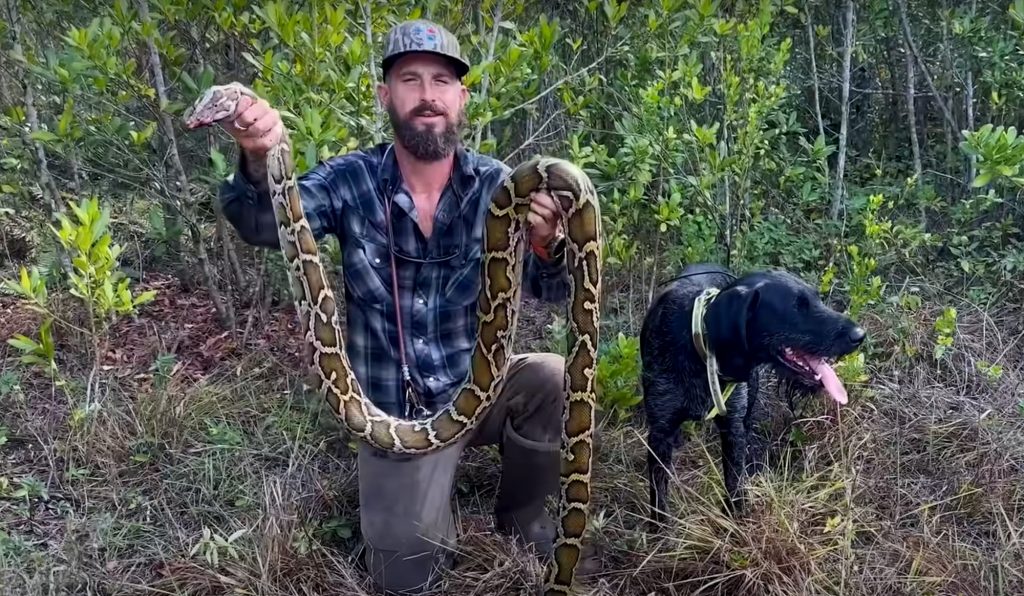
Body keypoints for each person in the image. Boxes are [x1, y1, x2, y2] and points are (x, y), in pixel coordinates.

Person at [216, 18, 592, 595]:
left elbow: (553, 293)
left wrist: (548, 246)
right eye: (409, 80)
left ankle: (521, 517)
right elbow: (263, 223)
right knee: (404, 581)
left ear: (461, 98)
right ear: (384, 95)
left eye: (441, 81)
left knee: (551, 376)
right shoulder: (351, 179)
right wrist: (259, 157)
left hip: (479, 387)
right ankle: (417, 503)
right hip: (393, 416)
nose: (427, 96)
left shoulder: (500, 186)